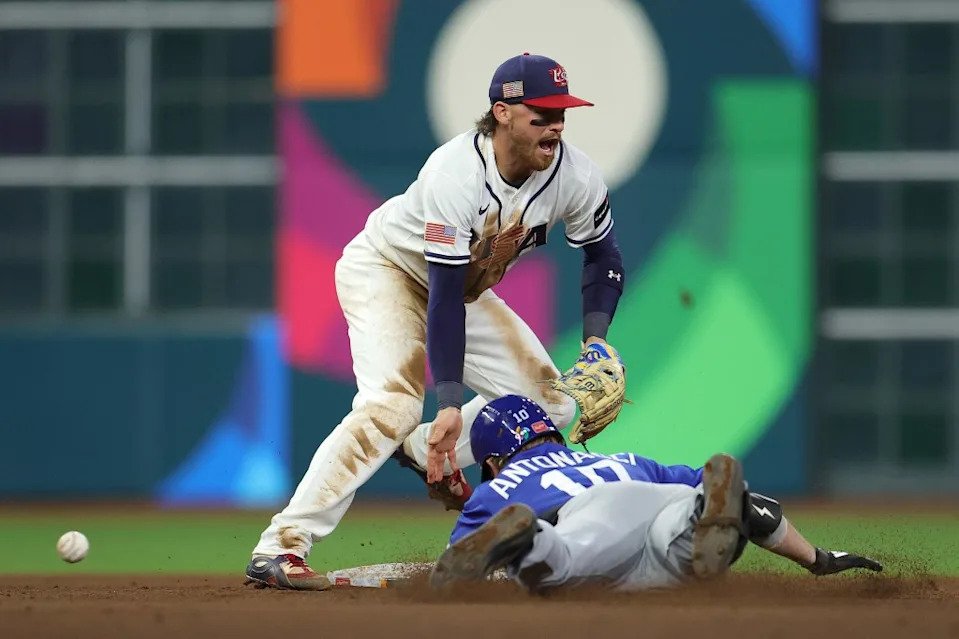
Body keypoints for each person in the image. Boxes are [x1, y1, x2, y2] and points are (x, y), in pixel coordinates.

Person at [245, 53, 628, 590]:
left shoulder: (574, 173)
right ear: (502, 112)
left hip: (462, 290)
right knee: (393, 405)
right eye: (541, 113)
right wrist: (448, 403)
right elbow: (443, 296)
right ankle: (281, 545)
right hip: (388, 270)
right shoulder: (457, 173)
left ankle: (423, 448)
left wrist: (595, 342)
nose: (556, 124)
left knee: (554, 403)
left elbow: (602, 257)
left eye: (562, 112)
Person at [430, 395, 883, 592]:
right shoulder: (622, 459)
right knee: (686, 534)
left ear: (492, 462)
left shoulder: (500, 490)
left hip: (589, 520)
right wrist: (819, 559)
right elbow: (758, 511)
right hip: (646, 495)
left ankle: (530, 540)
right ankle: (705, 511)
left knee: (558, 567)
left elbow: (455, 571)